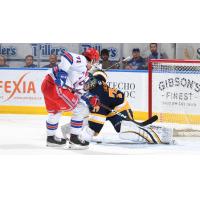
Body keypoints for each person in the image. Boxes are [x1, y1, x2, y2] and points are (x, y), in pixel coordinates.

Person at [62, 70, 174, 149]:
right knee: (87, 113)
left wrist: (85, 136)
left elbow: (95, 126)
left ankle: (159, 134)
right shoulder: (95, 88)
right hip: (108, 106)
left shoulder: (98, 92)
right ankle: (70, 130)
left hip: (119, 108)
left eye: (90, 80)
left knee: (125, 130)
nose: (87, 83)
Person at [41, 48, 100, 147]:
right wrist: (63, 74)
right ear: (93, 60)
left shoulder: (84, 73)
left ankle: (50, 138)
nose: (95, 65)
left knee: (56, 111)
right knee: (80, 107)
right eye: (96, 62)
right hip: (57, 87)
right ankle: (74, 138)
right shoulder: (82, 60)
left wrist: (90, 98)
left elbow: (79, 92)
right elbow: (67, 56)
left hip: (48, 85)